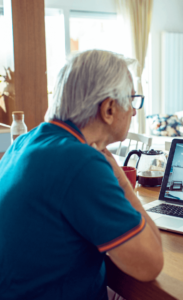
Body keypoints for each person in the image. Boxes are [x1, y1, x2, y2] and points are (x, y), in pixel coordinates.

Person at [0, 50, 163, 300]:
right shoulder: (81, 162)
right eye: (132, 100)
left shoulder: (24, 142)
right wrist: (121, 180)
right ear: (108, 108)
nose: (133, 112)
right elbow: (150, 264)